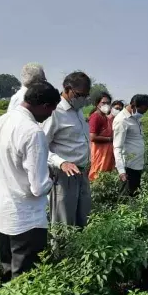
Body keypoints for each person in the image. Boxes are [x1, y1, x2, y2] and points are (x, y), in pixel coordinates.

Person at [0, 81, 60, 281]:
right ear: (43, 105)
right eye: (51, 109)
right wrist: (52, 176)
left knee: (7, 272)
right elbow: (38, 187)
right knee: (25, 279)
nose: (50, 115)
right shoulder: (33, 132)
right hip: (25, 220)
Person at [42, 71, 92, 228]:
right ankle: (61, 253)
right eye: (80, 94)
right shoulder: (54, 112)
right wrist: (61, 162)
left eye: (86, 95)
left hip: (82, 173)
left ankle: (79, 252)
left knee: (83, 219)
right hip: (63, 176)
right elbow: (40, 147)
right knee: (64, 224)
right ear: (68, 89)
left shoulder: (77, 110)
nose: (83, 99)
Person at [113, 94, 148, 196]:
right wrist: (121, 171)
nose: (142, 114)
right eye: (141, 111)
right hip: (128, 167)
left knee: (134, 195)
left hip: (137, 165)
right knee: (126, 199)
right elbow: (117, 147)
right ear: (133, 105)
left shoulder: (135, 118)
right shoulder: (122, 120)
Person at [88, 92, 115, 181]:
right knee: (98, 175)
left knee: (105, 176)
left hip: (107, 152)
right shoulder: (96, 117)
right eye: (103, 103)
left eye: (108, 103)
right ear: (97, 103)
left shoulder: (105, 117)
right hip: (99, 152)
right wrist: (110, 139)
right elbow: (93, 137)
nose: (106, 105)